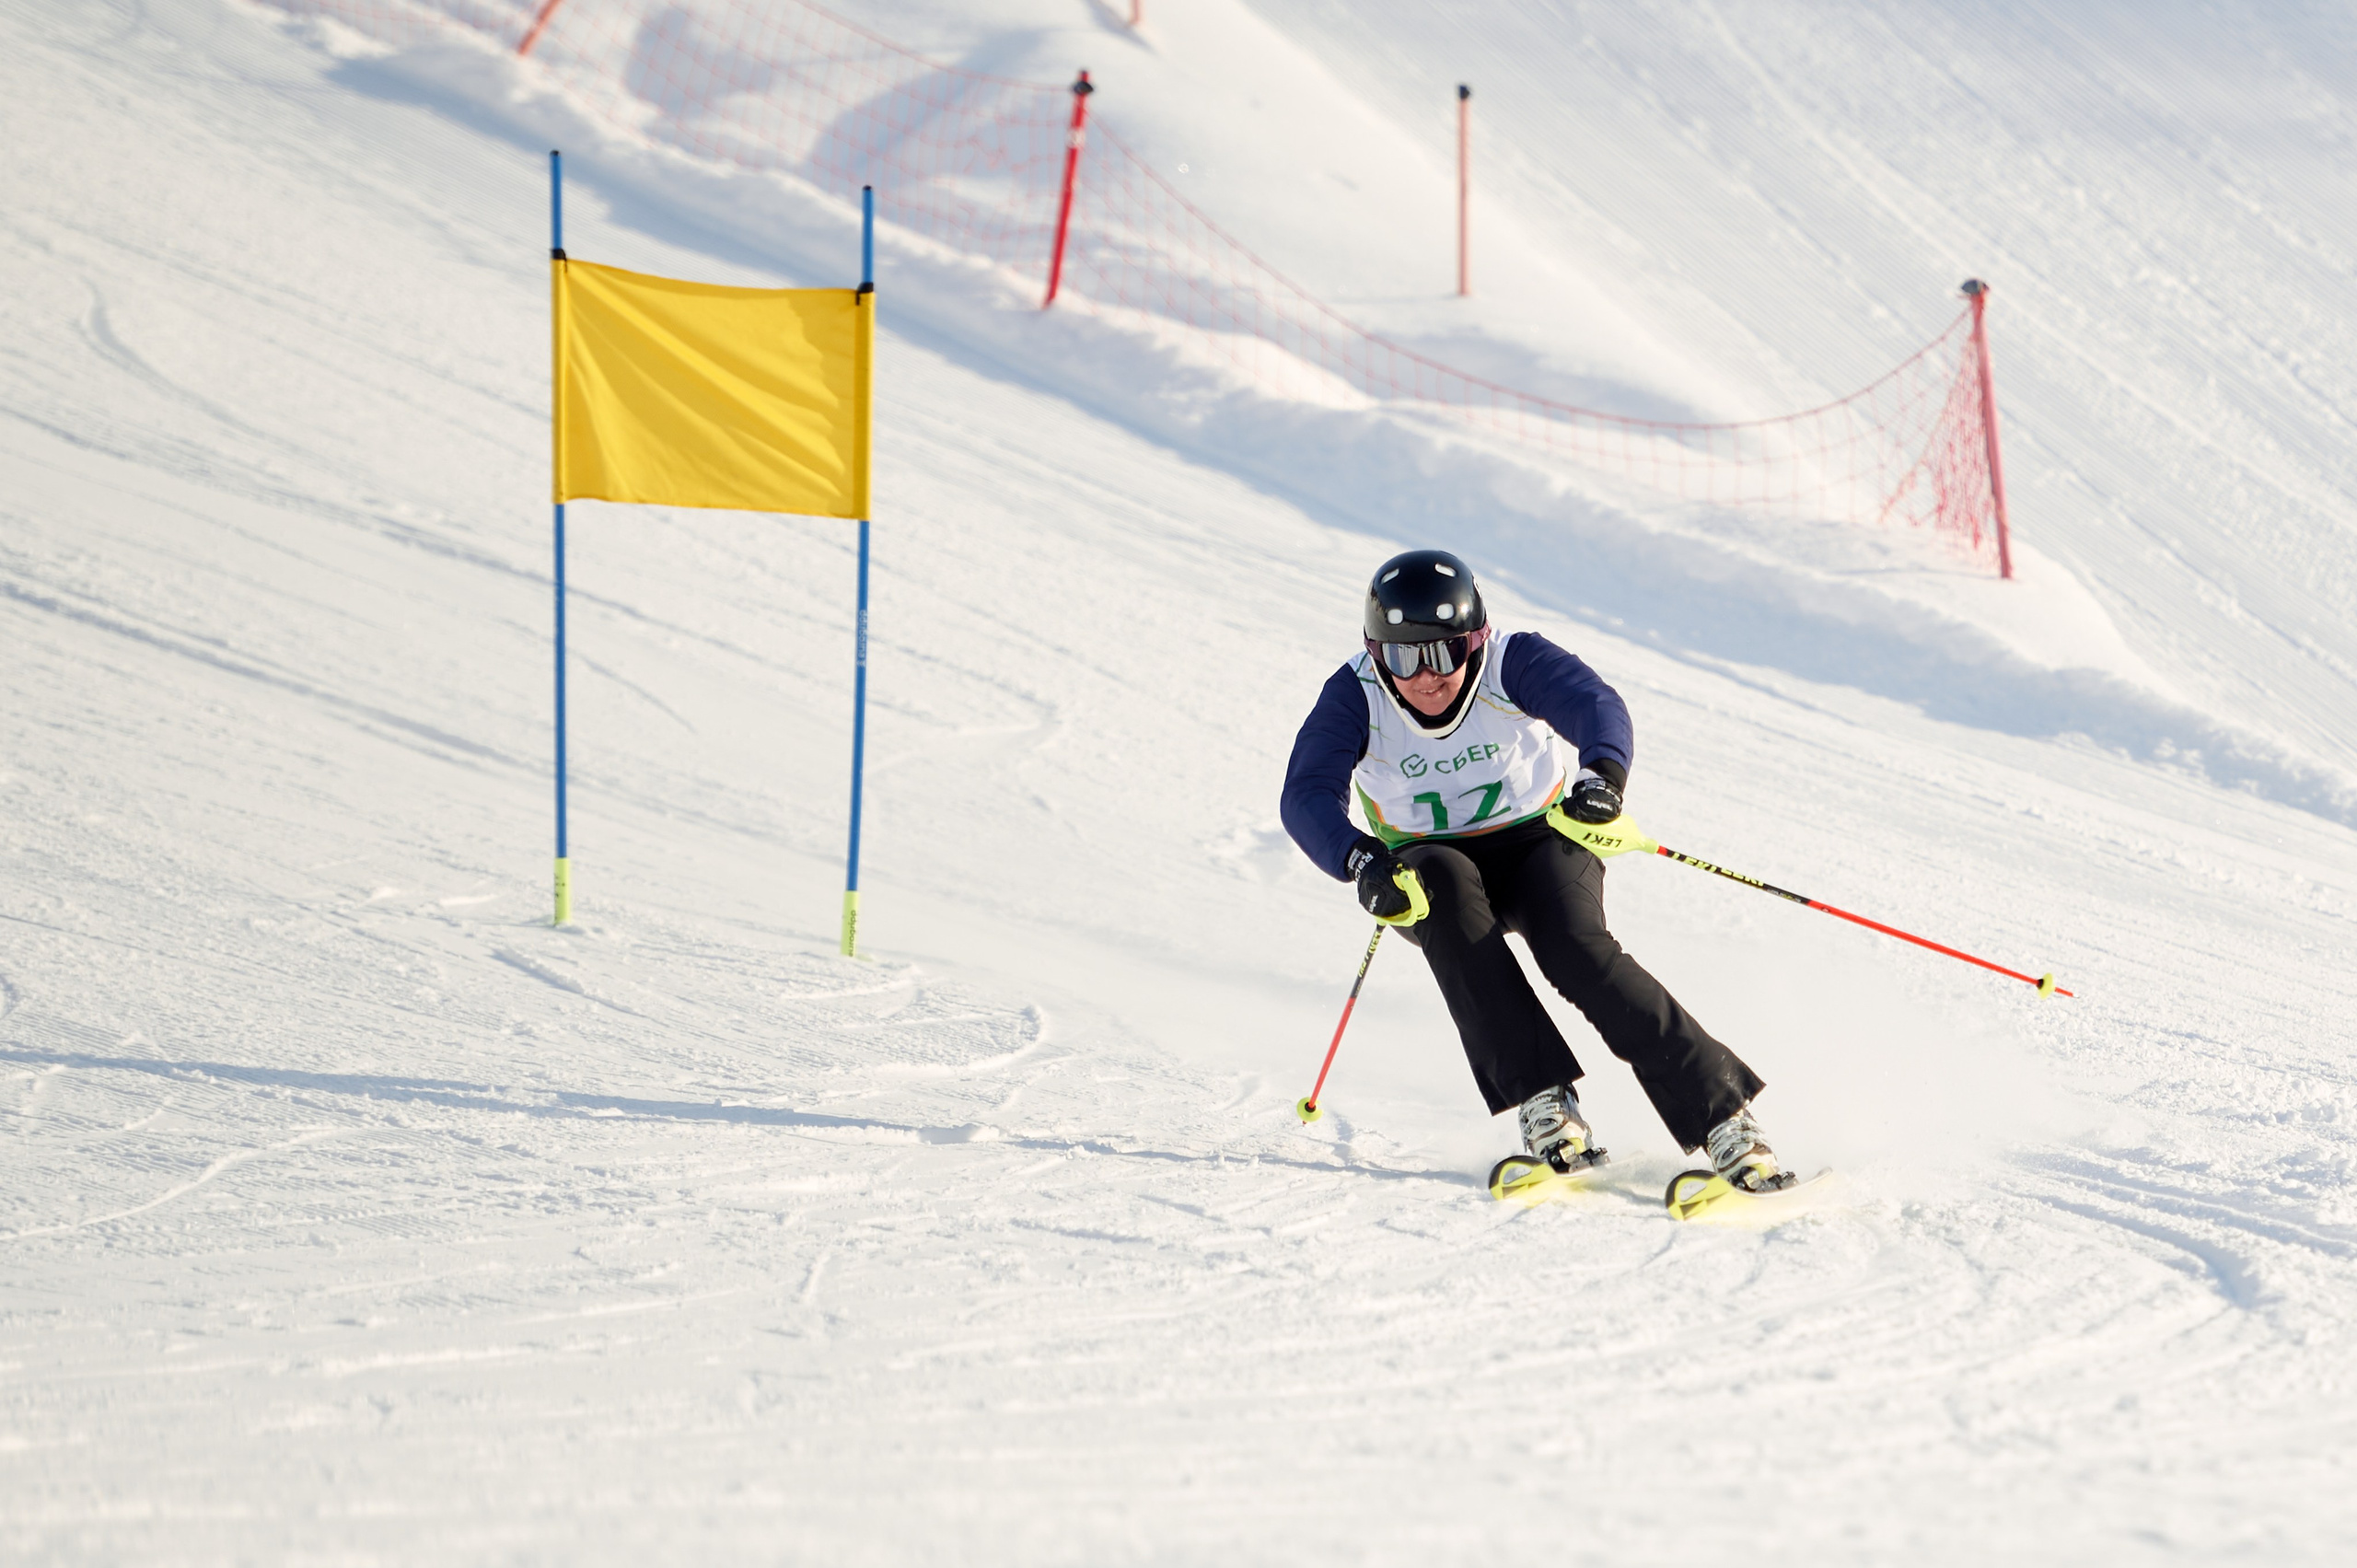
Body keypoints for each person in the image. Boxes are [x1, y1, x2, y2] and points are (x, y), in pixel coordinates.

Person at [1280, 548, 1793, 1191]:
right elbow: (1304, 794)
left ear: (1478, 639)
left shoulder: (1510, 660)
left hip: (1539, 841)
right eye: (1403, 656)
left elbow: (1594, 705)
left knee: (1575, 947)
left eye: (1445, 652)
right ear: (1376, 651)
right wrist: (1359, 861)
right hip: (1424, 862)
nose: (1427, 676)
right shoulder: (1355, 695)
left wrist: (1603, 776)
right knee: (1446, 897)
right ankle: (1547, 1107)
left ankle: (1727, 1120)